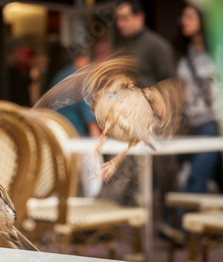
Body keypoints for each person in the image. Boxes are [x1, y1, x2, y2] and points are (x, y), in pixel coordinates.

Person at [96, 0, 180, 207]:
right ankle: (101, 221)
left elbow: (170, 83)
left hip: (154, 120)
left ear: (139, 16)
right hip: (126, 120)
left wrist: (162, 112)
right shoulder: (121, 47)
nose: (120, 24)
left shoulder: (156, 45)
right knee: (119, 170)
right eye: (118, 19)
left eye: (125, 18)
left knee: (166, 172)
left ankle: (176, 223)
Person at [160, 4, 222, 243]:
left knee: (197, 176)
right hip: (193, 125)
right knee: (197, 176)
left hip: (214, 124)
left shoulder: (218, 52)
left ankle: (177, 224)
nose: (182, 20)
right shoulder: (185, 59)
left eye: (189, 16)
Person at [48, 48, 103, 197]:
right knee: (93, 174)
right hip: (75, 133)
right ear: (80, 59)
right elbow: (86, 107)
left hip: (56, 133)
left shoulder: (58, 77)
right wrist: (95, 133)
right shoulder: (82, 76)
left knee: (59, 176)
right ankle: (96, 203)